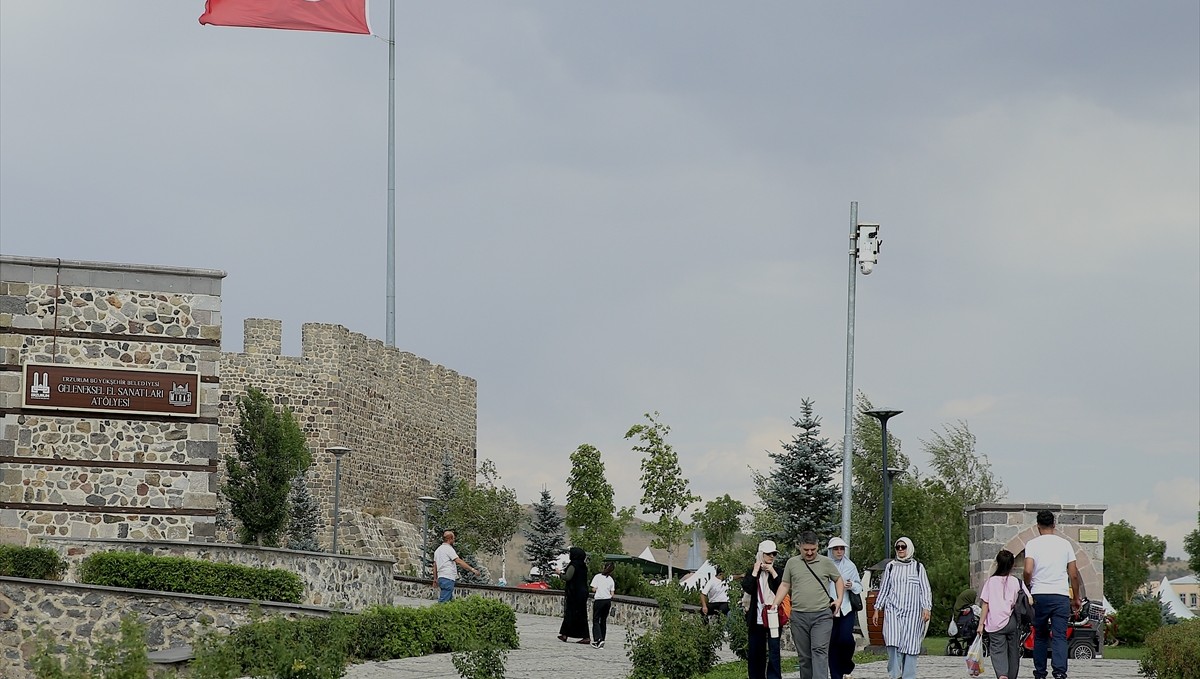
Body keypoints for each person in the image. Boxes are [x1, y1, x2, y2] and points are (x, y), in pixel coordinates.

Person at [772, 531, 844, 679]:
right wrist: (775, 604)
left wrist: (839, 599)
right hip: (799, 617)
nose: (810, 553)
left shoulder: (826, 562)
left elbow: (838, 580)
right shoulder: (792, 563)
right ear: (800, 547)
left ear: (818, 546)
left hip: (822, 616)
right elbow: (785, 585)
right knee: (804, 657)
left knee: (819, 651)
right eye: (806, 550)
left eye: (813, 549)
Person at [1023, 510, 1083, 679]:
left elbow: (1028, 570)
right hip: (1060, 595)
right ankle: (1059, 672)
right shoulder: (1065, 545)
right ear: (1054, 525)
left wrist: (1028, 583)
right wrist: (1076, 598)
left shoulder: (1032, 544)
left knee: (1040, 635)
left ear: (1038, 526)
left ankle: (1040, 673)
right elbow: (1073, 575)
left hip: (1039, 594)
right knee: (1059, 636)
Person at [871, 537, 931, 679]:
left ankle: (908, 676)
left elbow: (925, 589)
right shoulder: (891, 567)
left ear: (908, 548)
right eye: (897, 547)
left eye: (903, 547)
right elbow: (884, 589)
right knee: (892, 641)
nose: (900, 550)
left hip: (913, 613)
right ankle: (894, 674)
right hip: (893, 610)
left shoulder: (918, 567)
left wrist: (926, 608)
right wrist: (877, 608)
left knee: (910, 645)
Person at [978, 549, 1032, 679]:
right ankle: (1012, 676)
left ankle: (1002, 675)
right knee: (1013, 651)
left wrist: (981, 624)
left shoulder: (990, 582)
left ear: (997, 563)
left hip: (995, 623)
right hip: (1012, 621)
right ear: (1012, 565)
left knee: (998, 650)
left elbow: (985, 604)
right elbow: (1030, 600)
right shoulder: (1016, 582)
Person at [743, 540, 784, 679]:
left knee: (774, 651)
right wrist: (755, 571)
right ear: (761, 554)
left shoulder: (777, 571)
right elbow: (747, 588)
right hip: (756, 617)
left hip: (773, 616)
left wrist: (772, 572)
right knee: (755, 652)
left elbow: (783, 588)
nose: (772, 556)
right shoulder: (752, 572)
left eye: (774, 554)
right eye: (768, 554)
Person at [826, 537, 862, 679]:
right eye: (836, 549)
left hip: (846, 607)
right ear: (831, 550)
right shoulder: (825, 564)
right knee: (833, 641)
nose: (839, 551)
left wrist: (851, 585)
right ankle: (836, 674)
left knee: (845, 639)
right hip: (829, 608)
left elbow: (859, 586)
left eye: (841, 548)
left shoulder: (850, 566)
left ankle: (847, 665)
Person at [432, 530, 479, 603]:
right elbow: (459, 561)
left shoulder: (437, 550)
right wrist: (472, 569)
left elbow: (435, 566)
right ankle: (437, 613)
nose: (454, 540)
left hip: (441, 577)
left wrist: (435, 579)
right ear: (449, 539)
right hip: (448, 577)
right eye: (453, 538)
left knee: (450, 601)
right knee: (443, 602)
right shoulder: (449, 549)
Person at [557, 546, 591, 644]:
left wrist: (559, 573)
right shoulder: (583, 566)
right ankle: (566, 634)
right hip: (582, 592)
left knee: (571, 613)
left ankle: (567, 635)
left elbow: (568, 577)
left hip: (575, 593)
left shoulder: (573, 565)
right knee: (580, 614)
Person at [589, 561, 616, 648]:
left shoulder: (597, 577)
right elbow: (612, 593)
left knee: (596, 620)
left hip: (599, 600)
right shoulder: (611, 580)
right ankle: (602, 638)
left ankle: (598, 639)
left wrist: (598, 590)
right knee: (603, 620)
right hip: (607, 601)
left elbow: (593, 589)